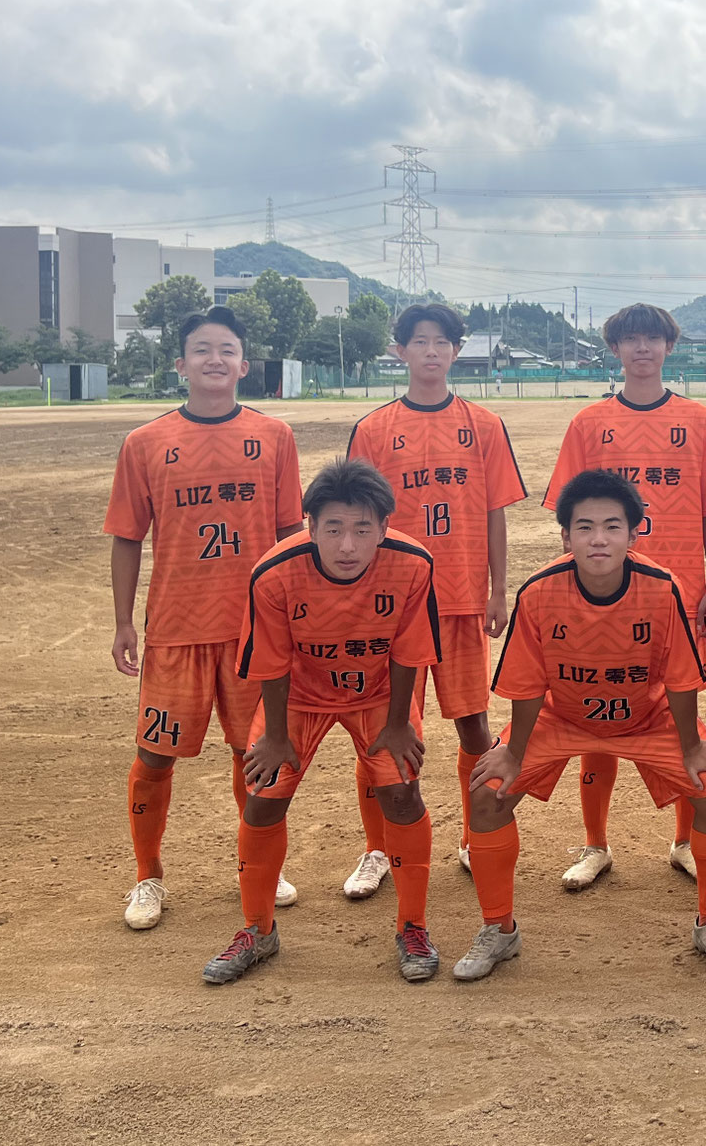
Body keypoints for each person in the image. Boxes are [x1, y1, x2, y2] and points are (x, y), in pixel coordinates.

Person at [455, 470, 706, 980]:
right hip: (562, 715)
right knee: (488, 792)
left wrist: (693, 745)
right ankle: (499, 930)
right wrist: (514, 753)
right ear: (565, 536)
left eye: (613, 526)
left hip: (646, 716)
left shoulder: (662, 588)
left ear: (635, 534)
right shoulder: (540, 591)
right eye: (584, 527)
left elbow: (679, 678)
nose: (599, 538)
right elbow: (526, 686)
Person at [203, 458, 442, 984]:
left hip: (378, 692)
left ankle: (413, 926)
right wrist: (276, 736)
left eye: (362, 529)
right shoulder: (274, 571)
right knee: (264, 798)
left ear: (385, 527)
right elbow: (270, 657)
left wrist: (399, 725)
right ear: (310, 527)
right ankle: (257, 930)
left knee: (402, 793)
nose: (348, 545)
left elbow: (409, 651)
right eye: (333, 529)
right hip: (300, 697)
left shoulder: (413, 564)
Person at [105, 305, 304, 933]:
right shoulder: (145, 442)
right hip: (176, 627)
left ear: (245, 365)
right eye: (201, 349)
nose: (214, 359)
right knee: (154, 755)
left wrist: (298, 618)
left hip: (255, 631)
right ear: (180, 363)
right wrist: (123, 623)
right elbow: (127, 537)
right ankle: (147, 876)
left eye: (226, 350)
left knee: (258, 755)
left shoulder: (274, 436)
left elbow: (290, 533)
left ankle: (257, 862)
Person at [543, 304, 706, 888]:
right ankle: (595, 844)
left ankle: (683, 839)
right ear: (615, 349)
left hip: (677, 595)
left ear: (669, 346)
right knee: (596, 714)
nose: (642, 349)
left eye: (652, 338)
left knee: (681, 712)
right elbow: (569, 518)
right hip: (604, 596)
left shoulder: (699, 421)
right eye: (630, 340)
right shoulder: (589, 424)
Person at [344, 303, 528, 900]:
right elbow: (356, 520)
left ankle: (479, 835)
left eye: (441, 342)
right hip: (391, 606)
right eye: (418, 342)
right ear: (399, 351)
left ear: (455, 350)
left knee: (474, 726)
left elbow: (495, 512)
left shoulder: (484, 423)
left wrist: (499, 589)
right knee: (383, 727)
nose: (430, 351)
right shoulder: (374, 429)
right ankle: (377, 848)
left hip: (461, 599)